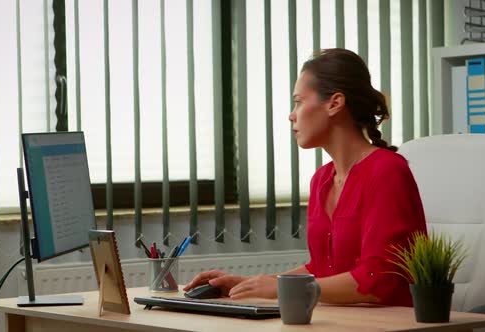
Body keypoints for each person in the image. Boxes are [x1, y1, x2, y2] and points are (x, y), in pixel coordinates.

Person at [183, 48, 427, 306]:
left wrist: (277, 288)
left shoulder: (387, 171)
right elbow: (323, 271)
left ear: (335, 103)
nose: (291, 114)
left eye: (299, 101)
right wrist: (247, 284)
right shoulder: (322, 180)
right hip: (337, 321)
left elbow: (377, 279)